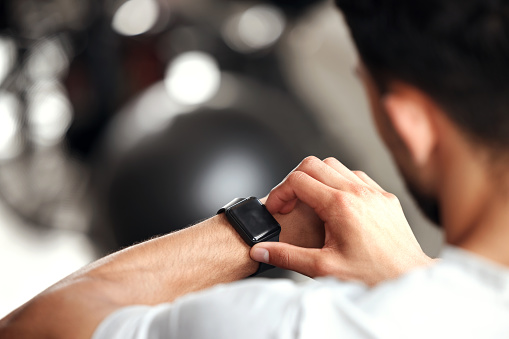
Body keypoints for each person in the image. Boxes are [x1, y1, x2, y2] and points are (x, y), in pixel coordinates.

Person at [2, 0, 509, 337]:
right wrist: (418, 277)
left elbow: (39, 327)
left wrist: (258, 225)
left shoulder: (297, 326)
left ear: (411, 123)